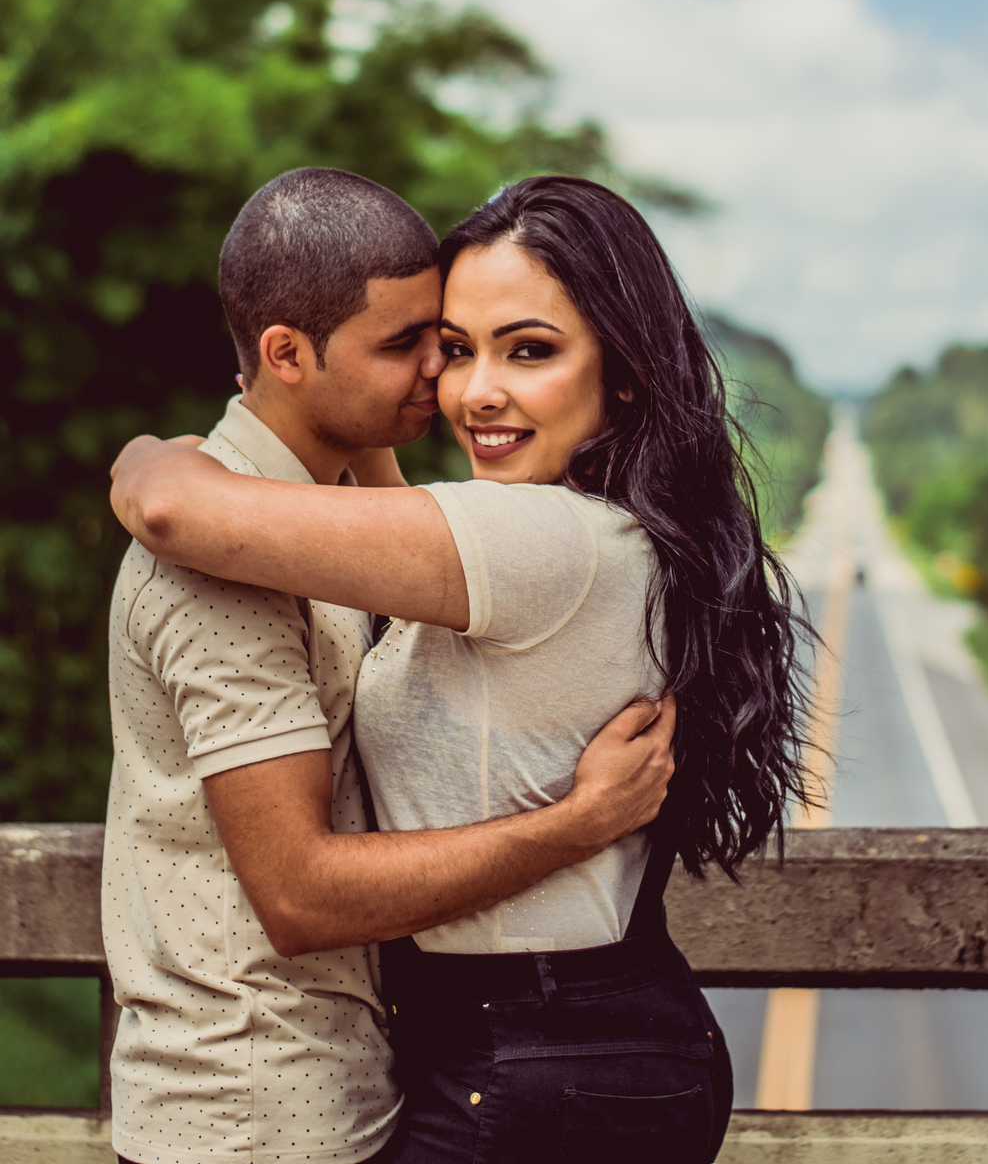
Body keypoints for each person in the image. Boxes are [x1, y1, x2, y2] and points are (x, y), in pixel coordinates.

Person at [111, 175, 811, 1164]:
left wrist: (146, 460)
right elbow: (382, 510)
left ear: (621, 371)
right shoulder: (600, 529)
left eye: (529, 351)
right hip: (580, 1043)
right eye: (451, 348)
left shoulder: (538, 541)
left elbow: (180, 516)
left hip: (538, 1064)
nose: (472, 390)